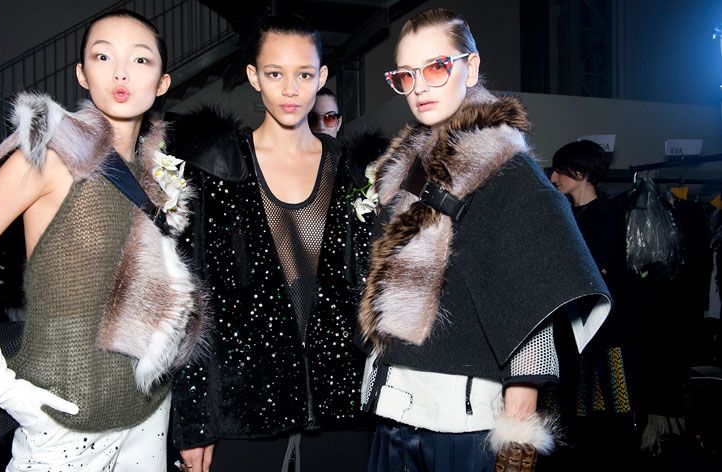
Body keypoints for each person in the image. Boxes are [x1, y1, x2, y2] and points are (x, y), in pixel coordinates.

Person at [358, 8, 612, 472]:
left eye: (436, 67)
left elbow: (532, 297)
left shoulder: (509, 171)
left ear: (470, 67)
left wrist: (519, 423)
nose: (420, 88)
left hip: (464, 417)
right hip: (395, 405)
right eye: (406, 76)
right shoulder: (409, 170)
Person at [0, 10, 205, 470]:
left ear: (162, 83)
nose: (121, 72)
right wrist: (5, 386)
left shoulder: (154, 175)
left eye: (141, 60)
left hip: (148, 414)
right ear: (81, 74)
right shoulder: (49, 155)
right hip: (63, 427)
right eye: (103, 55)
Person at [170, 14, 373, 472]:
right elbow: (190, 302)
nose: (289, 89)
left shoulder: (352, 172)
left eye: (304, 74)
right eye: (274, 74)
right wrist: (194, 421)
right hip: (244, 413)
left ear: (321, 77)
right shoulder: (215, 168)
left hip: (343, 411)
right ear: (253, 77)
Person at [550, 140, 637, 470]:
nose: (555, 176)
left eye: (562, 169)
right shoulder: (562, 213)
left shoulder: (613, 213)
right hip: (567, 325)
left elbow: (603, 268)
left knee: (609, 403)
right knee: (571, 404)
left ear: (582, 172)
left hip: (604, 327)